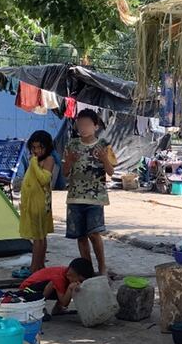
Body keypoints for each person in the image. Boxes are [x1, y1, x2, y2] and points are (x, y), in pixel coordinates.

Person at [63, 109, 116, 276]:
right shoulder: (72, 145)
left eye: (87, 124)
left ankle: (102, 267)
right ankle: (87, 270)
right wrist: (70, 161)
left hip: (95, 197)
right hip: (75, 197)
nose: (83, 128)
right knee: (80, 236)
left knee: (94, 233)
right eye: (80, 125)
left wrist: (104, 159)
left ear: (96, 126)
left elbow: (111, 172)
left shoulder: (104, 145)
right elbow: (64, 172)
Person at [14, 130, 57, 279]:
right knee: (39, 237)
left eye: (40, 147)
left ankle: (34, 268)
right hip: (30, 204)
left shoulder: (48, 160)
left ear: (47, 147)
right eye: (34, 148)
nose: (36, 151)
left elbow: (44, 179)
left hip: (40, 205)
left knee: (39, 237)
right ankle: (39, 266)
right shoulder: (35, 161)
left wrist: (33, 163)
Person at [18, 257, 95, 316]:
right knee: (56, 284)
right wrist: (70, 288)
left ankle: (57, 309)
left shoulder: (68, 275)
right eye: (80, 280)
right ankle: (39, 308)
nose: (80, 283)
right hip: (28, 290)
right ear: (70, 275)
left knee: (67, 287)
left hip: (36, 288)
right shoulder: (59, 277)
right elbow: (64, 302)